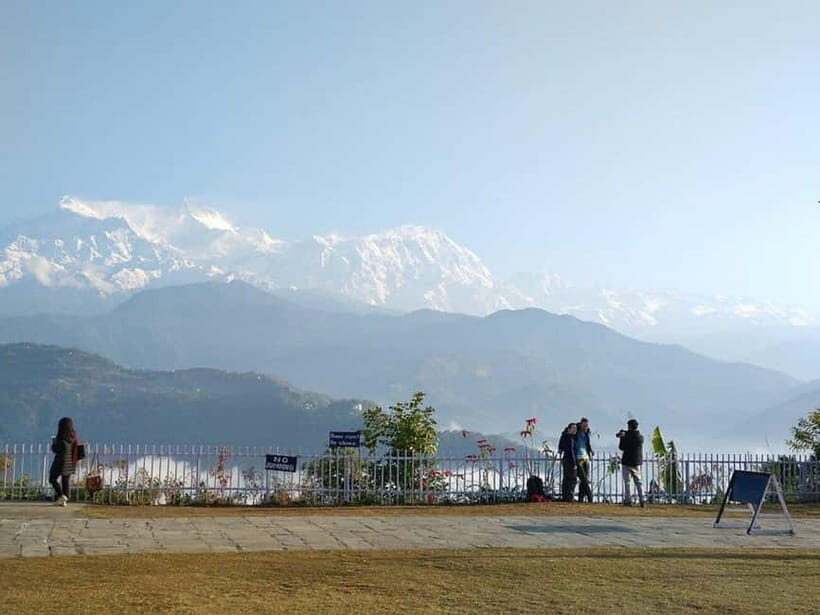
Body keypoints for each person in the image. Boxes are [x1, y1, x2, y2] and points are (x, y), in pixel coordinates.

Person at [49, 417, 80, 506]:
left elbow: (56, 449)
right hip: (70, 462)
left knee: (52, 478)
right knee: (65, 480)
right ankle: (64, 498)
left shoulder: (61, 438)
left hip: (60, 461)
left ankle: (61, 496)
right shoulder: (73, 437)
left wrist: (54, 443)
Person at [617, 419, 645, 507]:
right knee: (638, 482)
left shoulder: (627, 437)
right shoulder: (640, 437)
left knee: (627, 482)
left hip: (627, 462)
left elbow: (621, 447)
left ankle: (628, 500)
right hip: (636, 462)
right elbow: (632, 435)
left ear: (629, 427)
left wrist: (622, 437)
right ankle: (642, 500)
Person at [575, 418, 594, 503]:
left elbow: (587, 444)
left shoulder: (586, 434)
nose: (585, 427)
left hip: (585, 457)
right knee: (584, 479)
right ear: (580, 425)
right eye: (584, 425)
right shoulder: (576, 433)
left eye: (586, 425)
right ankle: (590, 496)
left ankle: (581, 498)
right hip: (578, 458)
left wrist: (590, 451)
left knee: (584, 480)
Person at [558, 423, 578, 502]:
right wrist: (574, 463)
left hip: (565, 459)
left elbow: (561, 447)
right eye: (573, 428)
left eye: (575, 428)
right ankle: (570, 496)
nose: (575, 430)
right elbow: (571, 451)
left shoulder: (564, 436)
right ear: (569, 429)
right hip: (570, 460)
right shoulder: (570, 438)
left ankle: (565, 496)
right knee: (572, 479)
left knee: (566, 478)